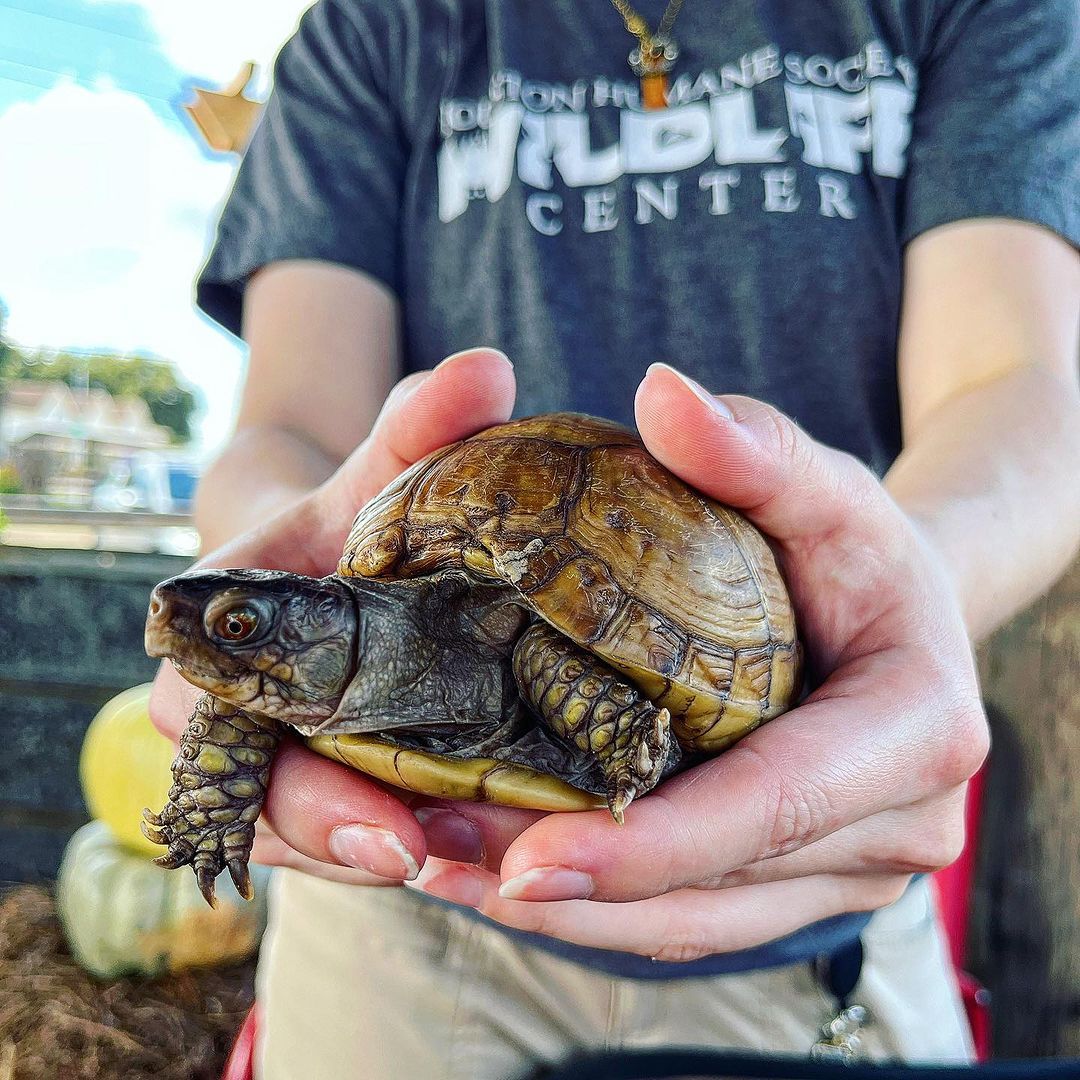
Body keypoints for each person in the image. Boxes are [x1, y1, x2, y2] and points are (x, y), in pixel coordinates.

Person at [152, 1, 1080, 1076]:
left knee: (543, 650)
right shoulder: (380, 26)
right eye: (240, 623)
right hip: (397, 904)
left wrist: (907, 591)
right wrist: (265, 570)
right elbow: (290, 429)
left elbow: (1018, 385)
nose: (215, 632)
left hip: (816, 897)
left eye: (238, 622)